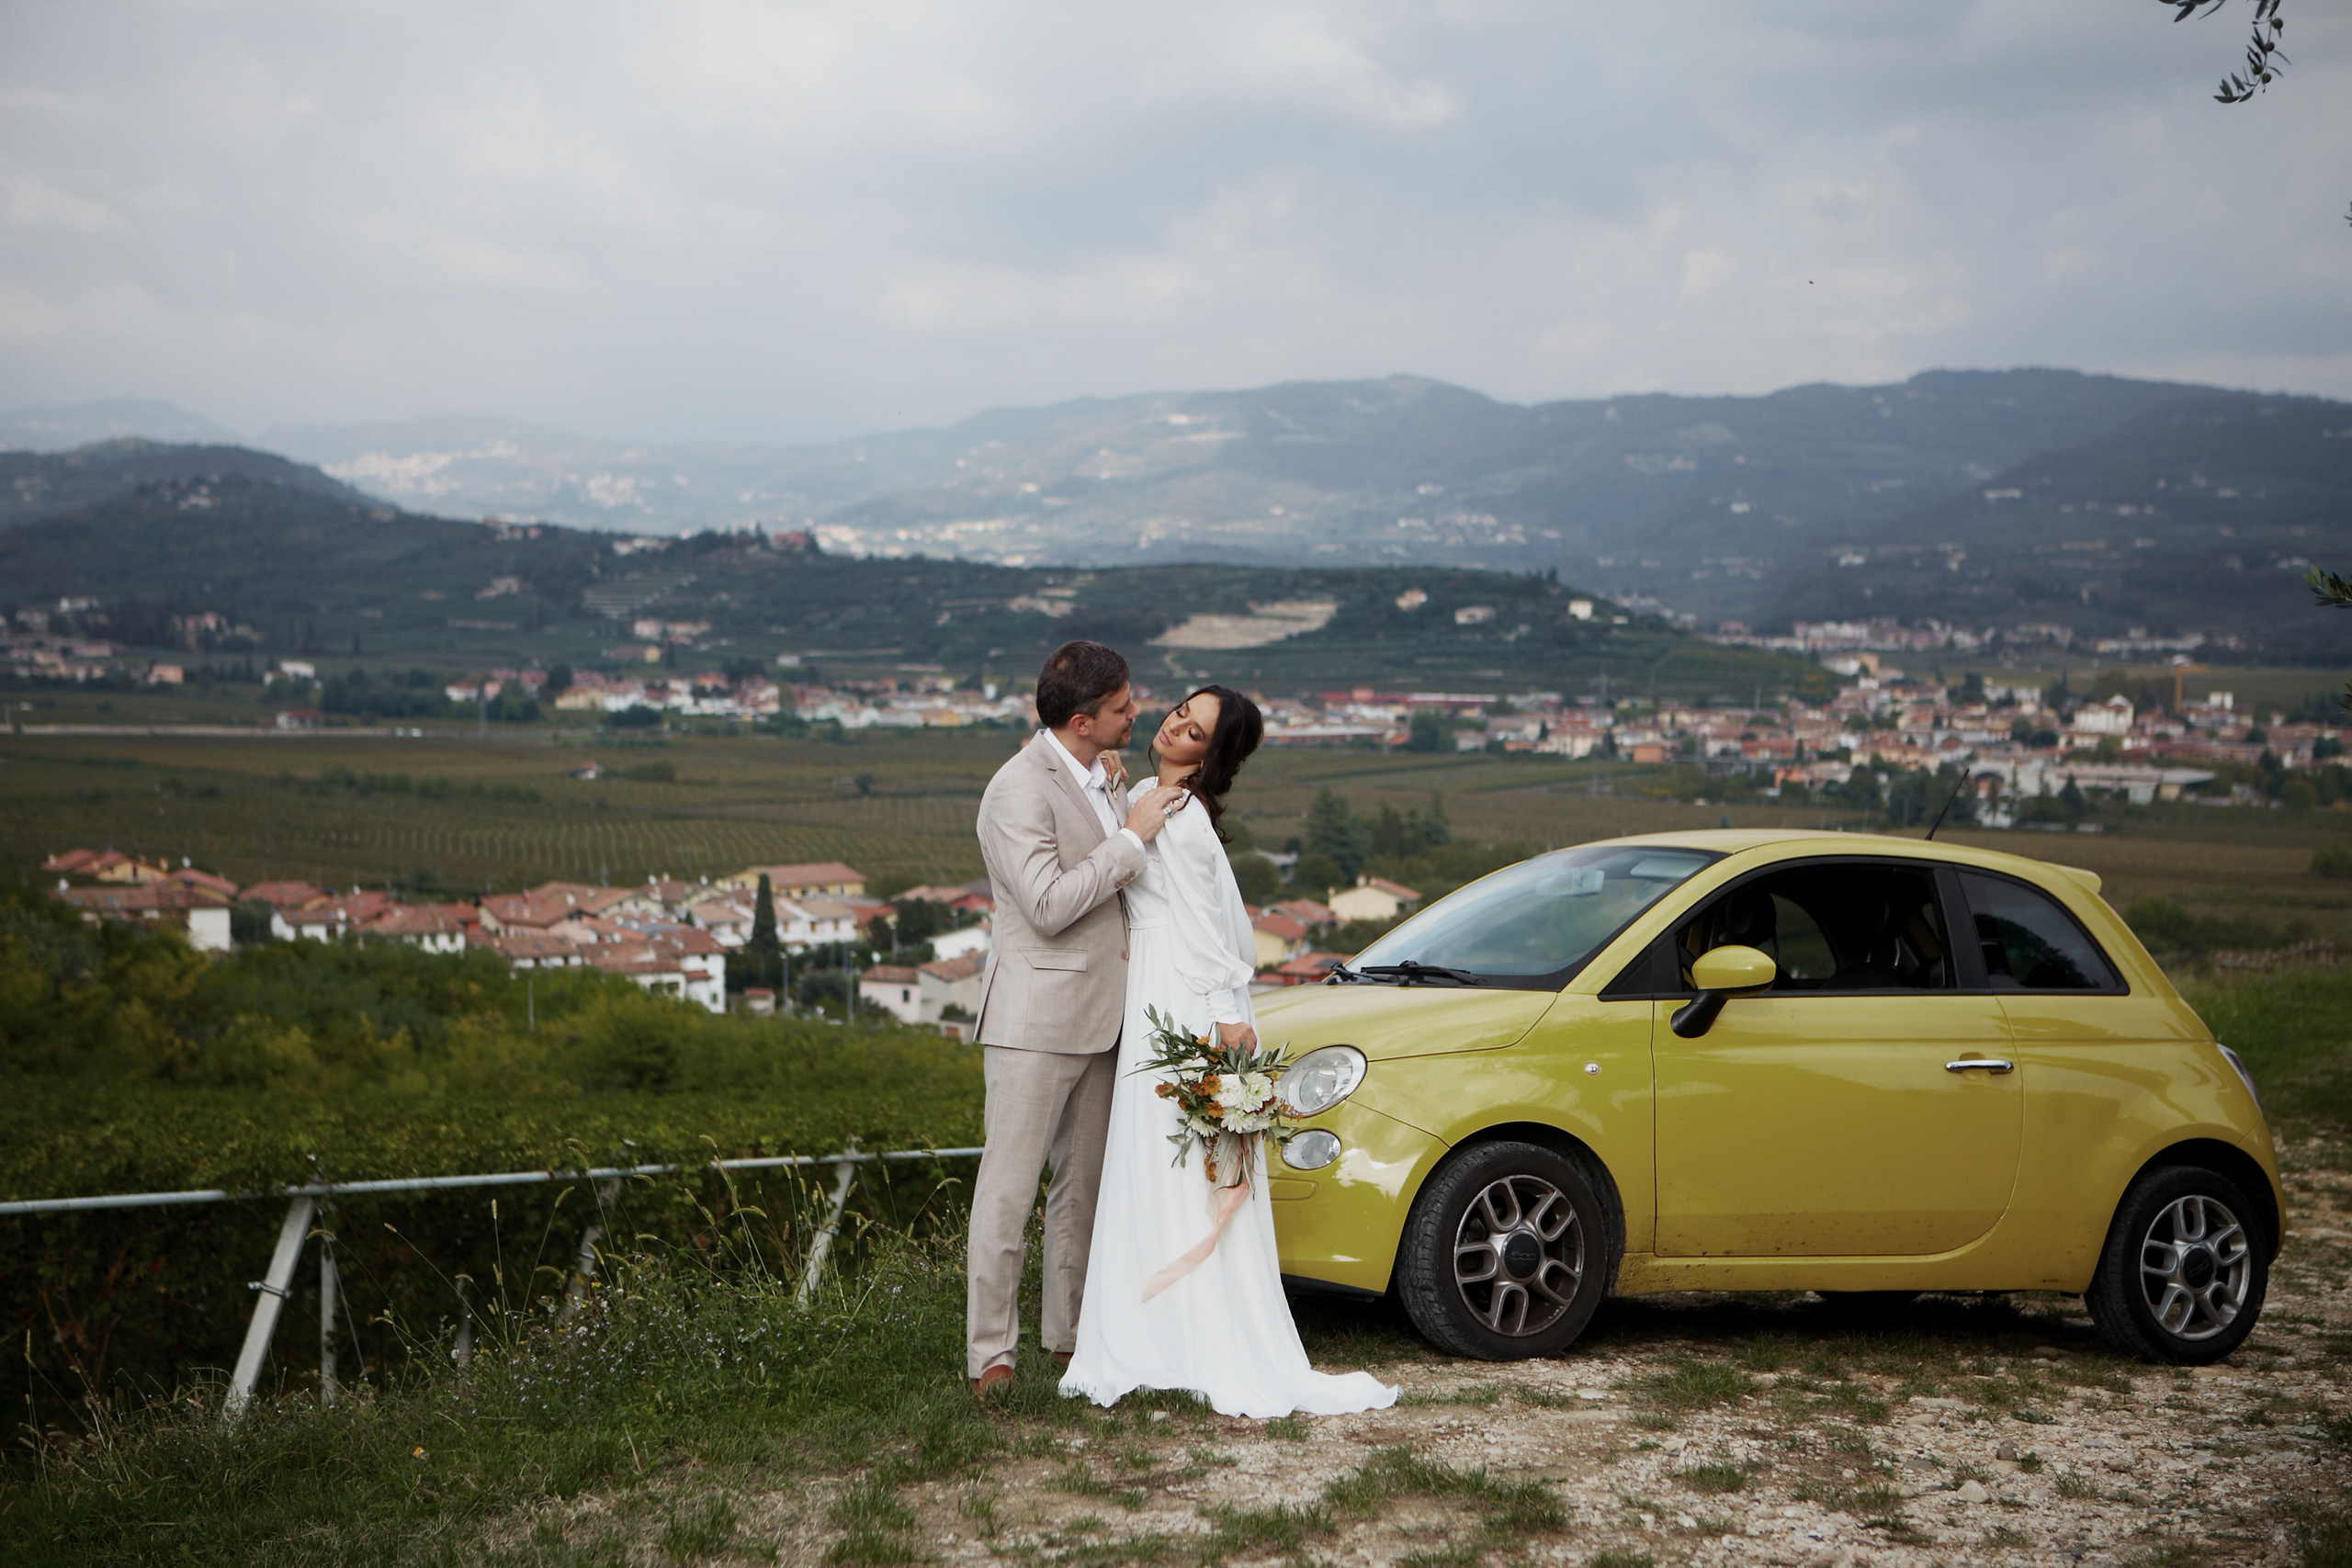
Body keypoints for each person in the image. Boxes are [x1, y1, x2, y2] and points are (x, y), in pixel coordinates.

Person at [1058, 685, 1398, 1418]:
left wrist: (1222, 1019)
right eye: (1182, 708)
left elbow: (1213, 930)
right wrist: (1117, 782)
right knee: (1155, 1162)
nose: (1176, 721)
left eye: (1196, 727)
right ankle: (1158, 1330)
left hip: (1180, 994)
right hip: (1154, 987)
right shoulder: (1150, 790)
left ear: (1208, 757)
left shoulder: (1180, 817)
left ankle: (1185, 1338)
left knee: (1181, 1163)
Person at [966, 639, 1185, 1398]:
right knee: (1008, 1190)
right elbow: (1051, 904)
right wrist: (1133, 837)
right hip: (1032, 1022)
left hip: (1104, 1017)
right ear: (1084, 719)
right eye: (1124, 705)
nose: (1138, 711)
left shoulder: (1102, 774)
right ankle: (990, 1357)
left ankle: (1069, 1344)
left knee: (1081, 1190)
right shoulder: (1013, 791)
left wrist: (1122, 815)